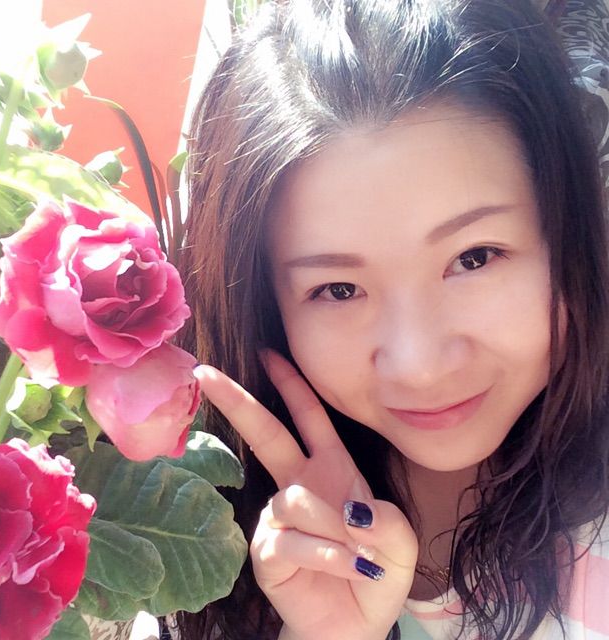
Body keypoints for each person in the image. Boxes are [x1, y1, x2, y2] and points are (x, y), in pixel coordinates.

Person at [178, 0, 609, 638]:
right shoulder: (207, 539)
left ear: (568, 230)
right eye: (339, 289)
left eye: (474, 257)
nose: (419, 365)